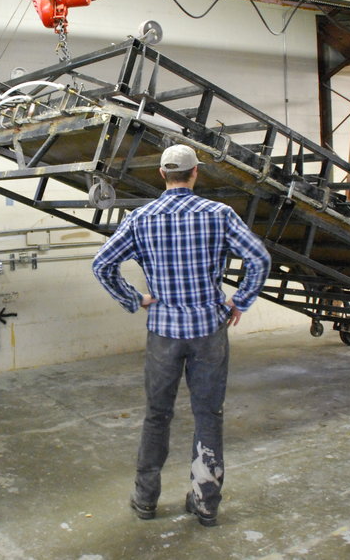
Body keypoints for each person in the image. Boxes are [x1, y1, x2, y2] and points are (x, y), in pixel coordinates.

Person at [92, 144, 271, 528]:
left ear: (162, 174)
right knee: (208, 415)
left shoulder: (140, 218)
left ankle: (145, 500)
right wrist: (239, 301)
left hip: (163, 333)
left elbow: (102, 263)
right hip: (209, 329)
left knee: (157, 415)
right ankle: (206, 504)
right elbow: (259, 258)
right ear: (194, 174)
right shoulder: (218, 215)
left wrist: (135, 299)